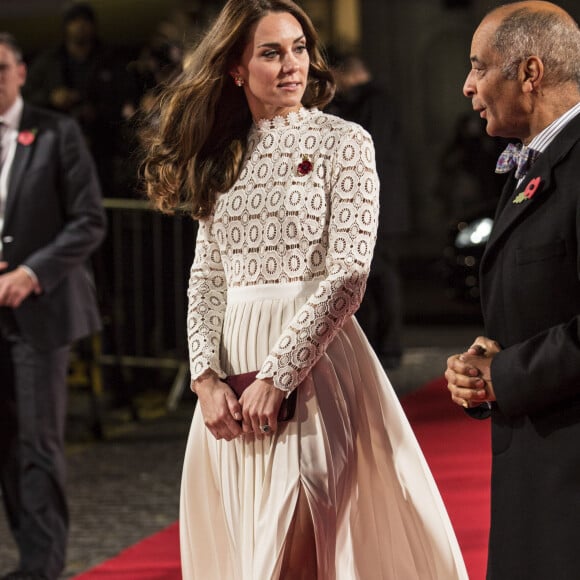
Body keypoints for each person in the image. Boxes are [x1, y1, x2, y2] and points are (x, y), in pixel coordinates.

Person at [141, 1, 467, 578]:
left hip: (315, 367)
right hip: (231, 380)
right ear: (236, 69)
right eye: (271, 52)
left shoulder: (347, 142)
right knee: (247, 551)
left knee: (295, 546)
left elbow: (348, 274)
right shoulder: (220, 154)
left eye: (299, 48)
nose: (293, 64)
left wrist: (277, 376)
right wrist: (205, 378)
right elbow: (207, 276)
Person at [445, 2, 580, 579]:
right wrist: (483, 368)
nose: (468, 85)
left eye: (479, 67)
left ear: (530, 72)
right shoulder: (537, 161)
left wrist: (507, 374)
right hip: (539, 465)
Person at [0, 33, 106, 580]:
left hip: (40, 309)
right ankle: (27, 557)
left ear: (20, 71)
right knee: (5, 444)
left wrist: (31, 272)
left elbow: (90, 220)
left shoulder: (55, 132)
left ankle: (42, 567)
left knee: (37, 441)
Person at [326, 52, 409, 369]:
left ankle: (388, 348)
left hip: (383, 210)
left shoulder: (376, 102)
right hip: (379, 207)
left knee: (383, 281)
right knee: (373, 281)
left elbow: (367, 144)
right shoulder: (372, 101)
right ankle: (378, 346)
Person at [22, 2, 126, 196]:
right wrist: (51, 99)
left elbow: (122, 100)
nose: (80, 26)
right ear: (66, 26)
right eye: (74, 21)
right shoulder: (49, 61)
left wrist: (96, 111)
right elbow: (26, 98)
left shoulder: (109, 61)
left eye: (85, 21)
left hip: (100, 147)